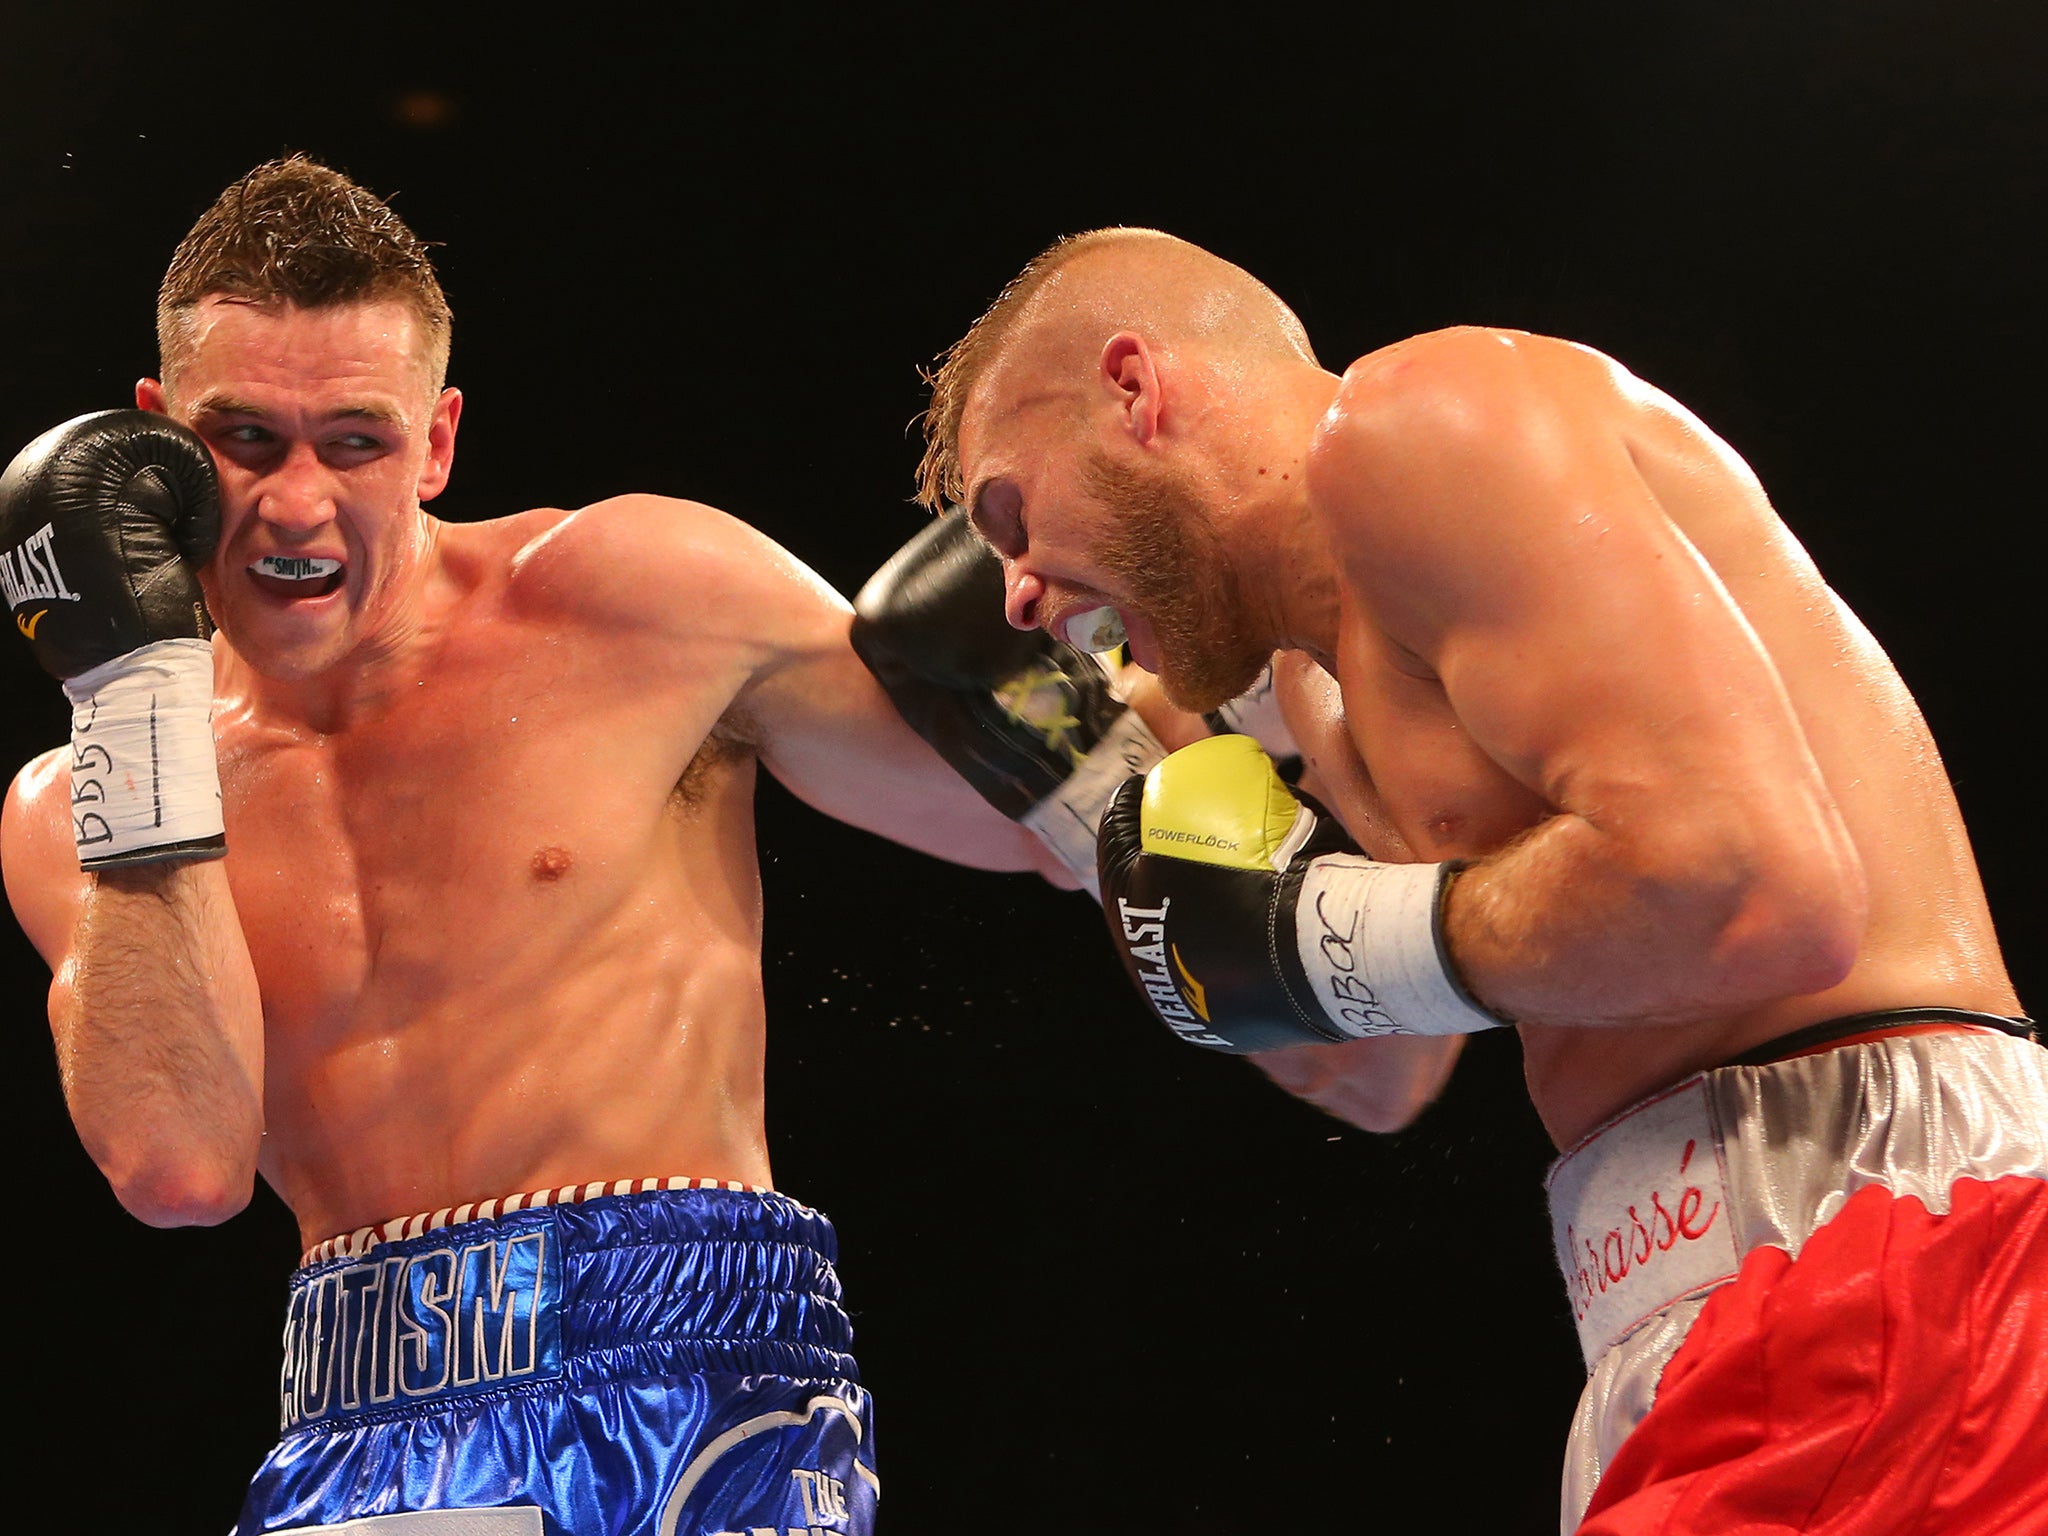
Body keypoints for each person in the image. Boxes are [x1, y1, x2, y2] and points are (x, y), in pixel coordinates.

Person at [0, 158, 1165, 1535]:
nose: (295, 504)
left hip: (688, 1363)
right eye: (243, 438)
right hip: (349, 1426)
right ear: (155, 439)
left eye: (354, 443)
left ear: (435, 444)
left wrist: (1207, 684)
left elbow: (1053, 827)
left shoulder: (635, 600)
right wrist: (131, 701)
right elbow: (177, 1167)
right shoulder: (76, 800)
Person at [911, 227, 2046, 1534]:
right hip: (1662, 1307)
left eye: (1011, 514)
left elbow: (1754, 890)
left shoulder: (1425, 423)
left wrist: (1330, 934)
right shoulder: (1310, 686)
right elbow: (1386, 1071)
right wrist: (1123, 830)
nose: (1016, 594)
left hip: (1889, 1239)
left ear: (1134, 388)